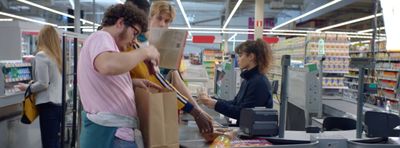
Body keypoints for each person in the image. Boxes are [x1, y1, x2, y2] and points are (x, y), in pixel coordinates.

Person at [77, 3, 161, 148]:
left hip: (114, 134)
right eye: (134, 33)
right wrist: (145, 52)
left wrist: (132, 82)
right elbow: (108, 65)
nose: (134, 40)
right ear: (120, 23)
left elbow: (103, 77)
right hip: (112, 135)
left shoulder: (108, 47)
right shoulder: (101, 37)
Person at [127, 0, 213, 133]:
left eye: (167, 21)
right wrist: (194, 110)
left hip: (157, 105)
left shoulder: (164, 46)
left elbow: (176, 80)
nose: (162, 24)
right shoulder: (133, 42)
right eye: (159, 18)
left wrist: (197, 109)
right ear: (149, 17)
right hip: (133, 107)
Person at [198, 39, 273, 125]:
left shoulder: (258, 83)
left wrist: (215, 104)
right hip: (246, 129)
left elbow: (243, 113)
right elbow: (235, 103)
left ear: (251, 57)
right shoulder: (249, 79)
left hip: (254, 135)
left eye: (241, 55)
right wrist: (212, 100)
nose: (238, 59)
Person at [17, 25, 63, 148]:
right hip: (59, 104)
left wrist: (27, 87)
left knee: (48, 142)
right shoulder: (56, 56)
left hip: (48, 105)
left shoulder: (42, 55)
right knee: (54, 141)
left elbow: (43, 83)